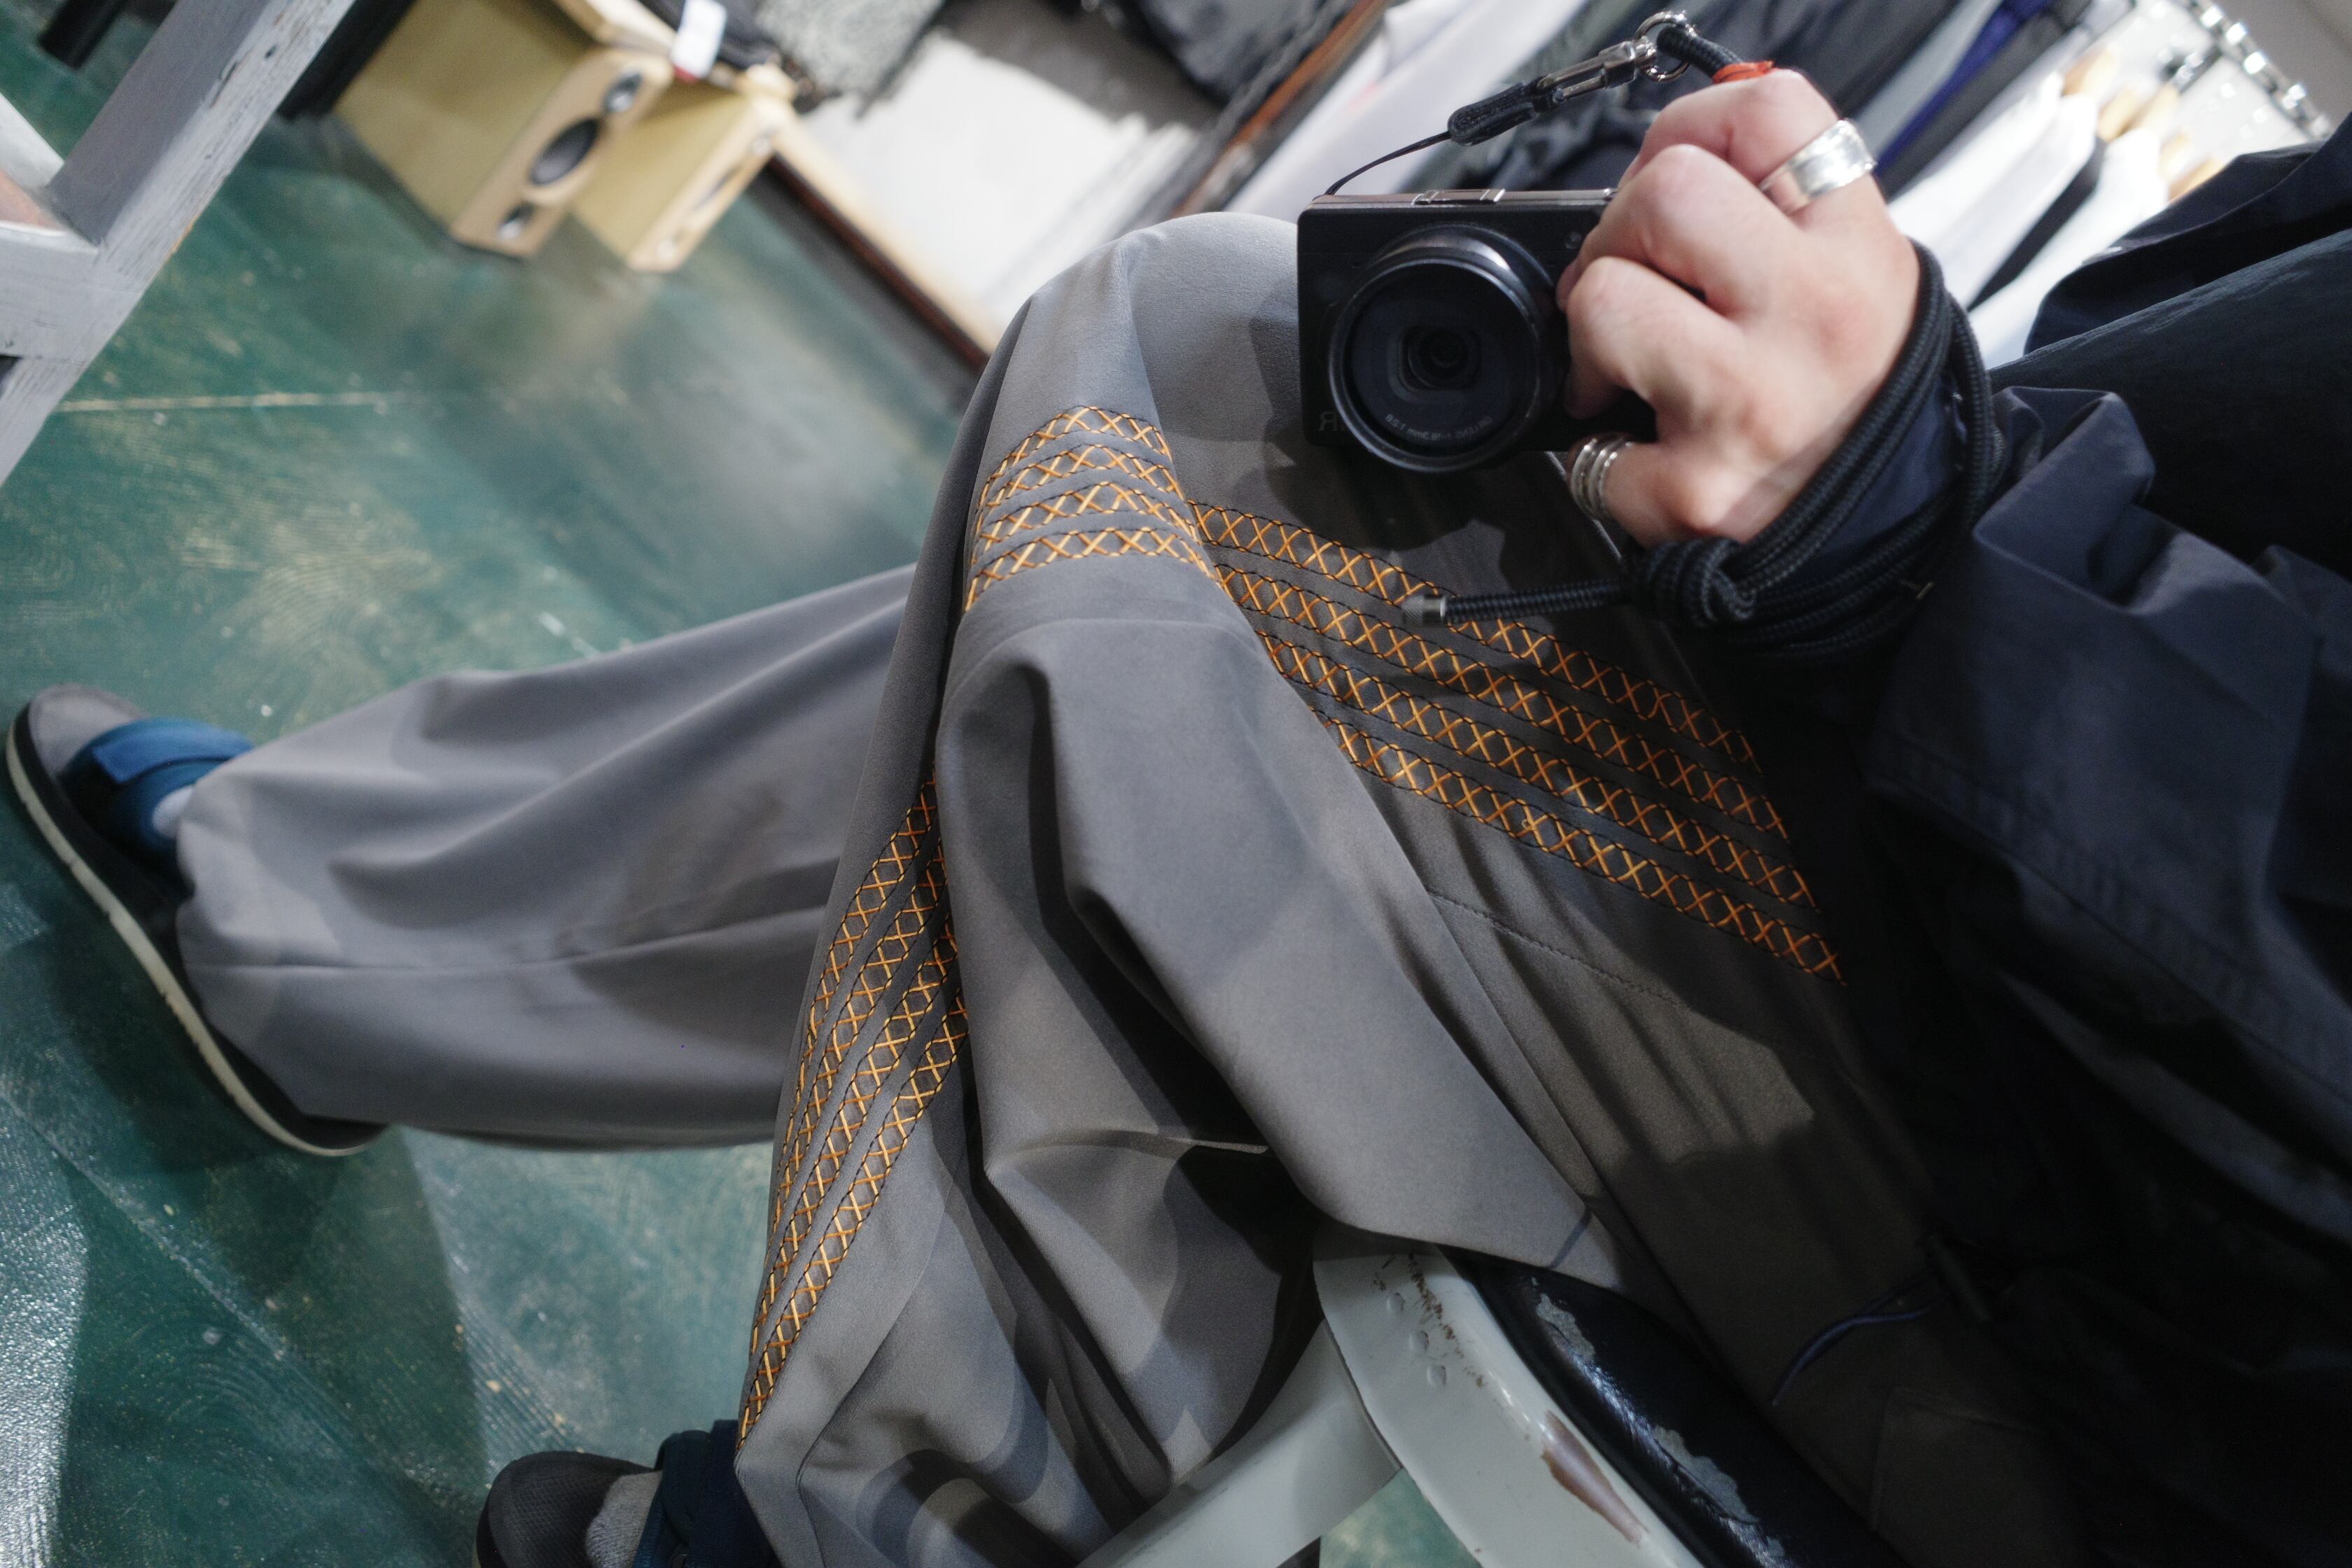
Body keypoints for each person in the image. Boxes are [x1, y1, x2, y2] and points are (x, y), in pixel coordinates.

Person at [10, 66, 2347, 1568]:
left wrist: (1912, 537)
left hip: (2127, 1362)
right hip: (2042, 1002)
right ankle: (326, 931)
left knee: (1195, 397)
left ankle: (873, 1528)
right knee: (1253, 496)